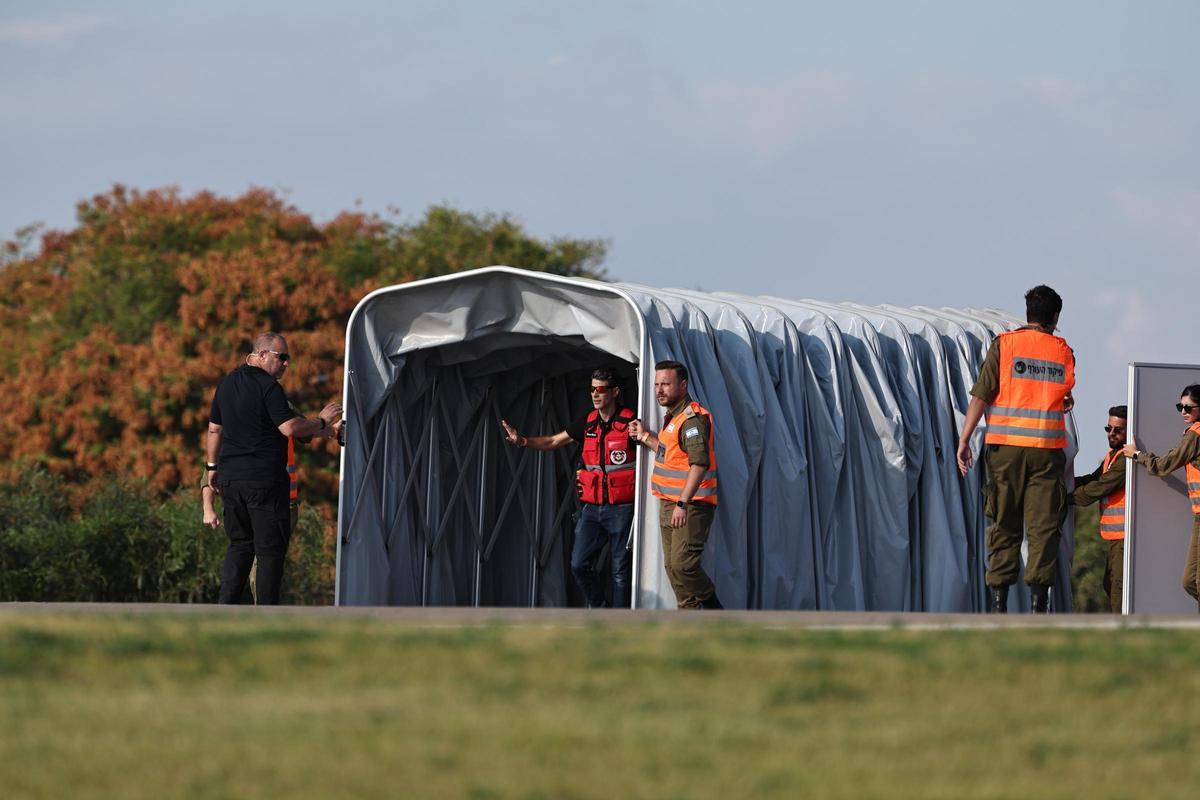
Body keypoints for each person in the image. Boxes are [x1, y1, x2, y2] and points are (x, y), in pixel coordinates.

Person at [956, 285, 1075, 613]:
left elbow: (981, 395)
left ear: (1028, 313)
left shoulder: (1004, 345)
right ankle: (1038, 604)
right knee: (1042, 527)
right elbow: (1064, 396)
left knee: (1004, 522)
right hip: (1046, 450)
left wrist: (965, 440)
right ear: (1055, 316)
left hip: (1006, 450)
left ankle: (999, 603)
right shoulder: (1063, 351)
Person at [206, 332, 341, 605]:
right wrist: (322, 421)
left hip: (231, 480)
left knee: (240, 547)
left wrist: (212, 467)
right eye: (282, 357)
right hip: (264, 481)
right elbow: (290, 427)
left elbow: (214, 430)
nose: (287, 363)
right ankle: (267, 615)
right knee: (270, 553)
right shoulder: (269, 387)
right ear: (262, 354)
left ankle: (223, 610)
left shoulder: (226, 383)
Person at [500, 368, 636, 608]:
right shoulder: (587, 422)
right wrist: (523, 441)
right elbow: (554, 440)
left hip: (621, 508)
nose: (595, 394)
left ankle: (622, 621)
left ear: (615, 392)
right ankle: (602, 607)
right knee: (578, 564)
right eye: (592, 389)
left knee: (620, 571)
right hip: (591, 509)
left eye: (600, 389)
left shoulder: (631, 423)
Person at [628, 360, 722, 610]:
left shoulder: (692, 420)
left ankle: (715, 611)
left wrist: (682, 503)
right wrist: (644, 436)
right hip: (670, 503)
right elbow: (669, 453)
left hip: (691, 505)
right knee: (672, 567)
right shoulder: (674, 418)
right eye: (657, 384)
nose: (659, 390)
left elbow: (699, 464)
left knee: (684, 565)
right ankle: (688, 617)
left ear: (683, 385)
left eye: (665, 385)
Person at [1122, 384, 1200, 610]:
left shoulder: (1195, 435)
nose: (1183, 412)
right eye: (1180, 407)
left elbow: (1164, 465)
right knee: (1190, 582)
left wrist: (1137, 454)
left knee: (1195, 582)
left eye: (1188, 407)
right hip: (1198, 515)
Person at [1071, 406, 1128, 613]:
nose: (1111, 433)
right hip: (1114, 536)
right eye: (1108, 428)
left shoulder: (1125, 460)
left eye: (1117, 430)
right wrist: (1066, 483)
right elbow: (1093, 479)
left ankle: (1122, 629)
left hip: (1124, 537)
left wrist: (1065, 498)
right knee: (1110, 583)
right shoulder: (1112, 456)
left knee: (1117, 587)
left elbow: (1099, 487)